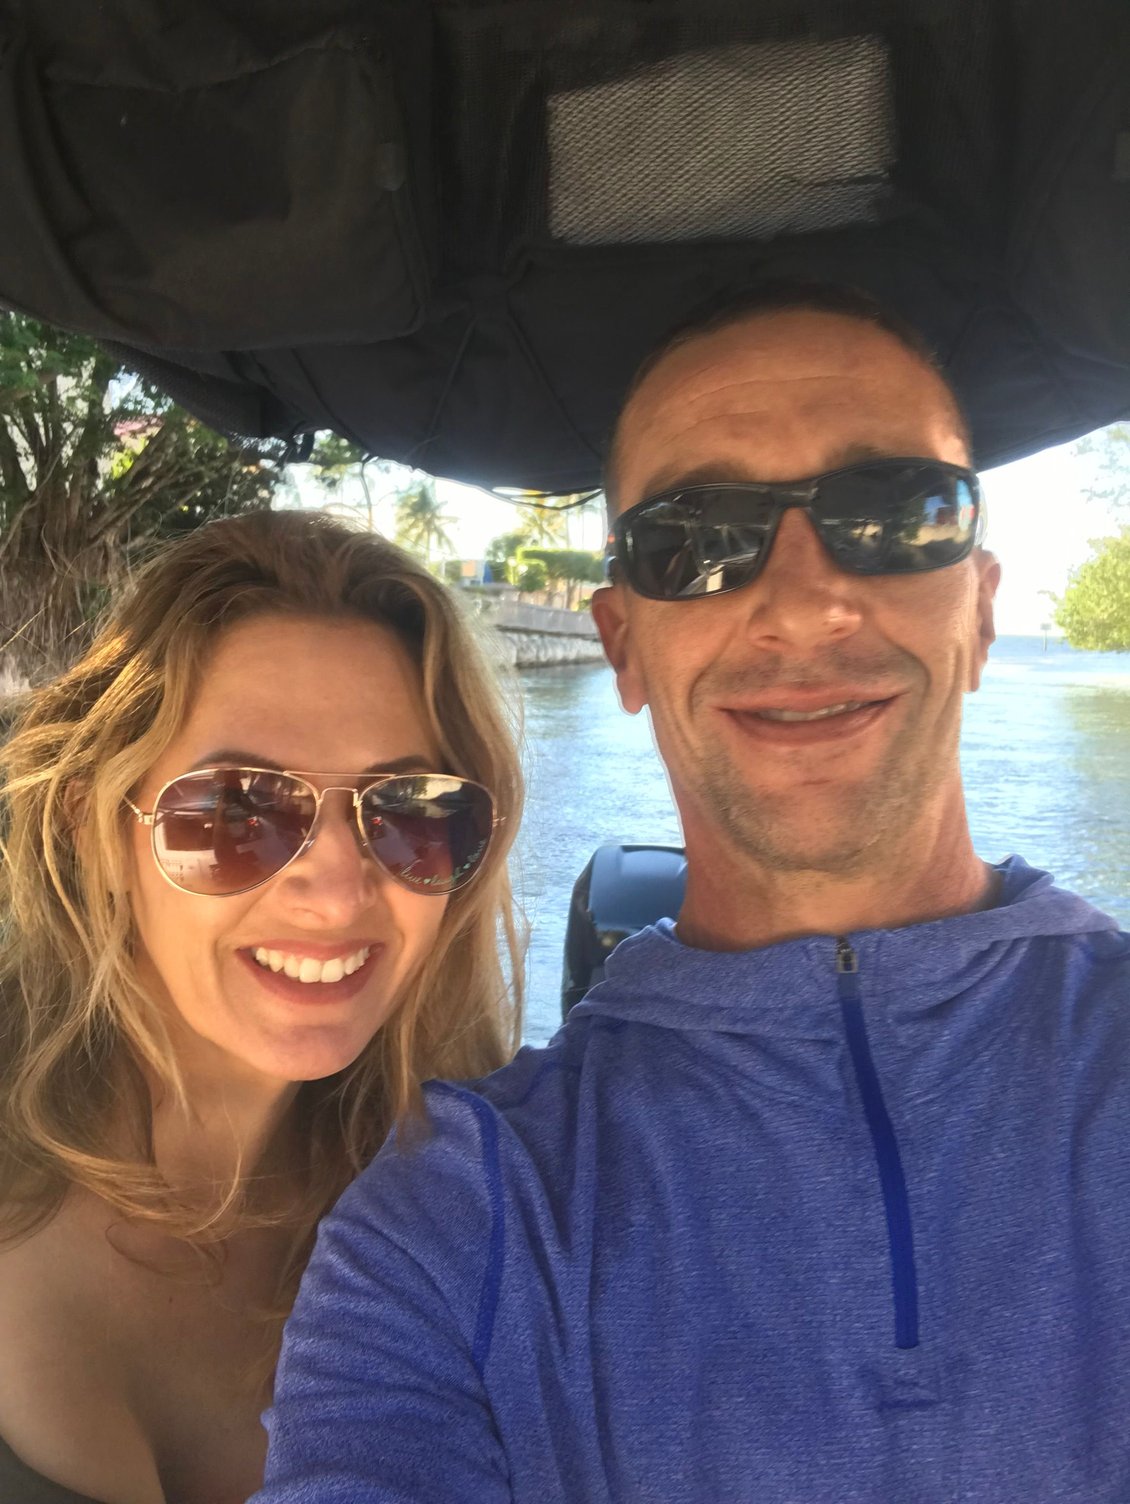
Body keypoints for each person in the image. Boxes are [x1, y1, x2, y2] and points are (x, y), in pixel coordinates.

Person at [254, 284, 1130, 1503]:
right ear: (621, 645)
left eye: (891, 513)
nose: (802, 603)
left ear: (979, 609)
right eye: (696, 539)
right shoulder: (456, 1219)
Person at [0, 508, 523, 1504]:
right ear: (94, 831)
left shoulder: (471, 1208)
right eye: (237, 810)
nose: (336, 894)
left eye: (408, 810)